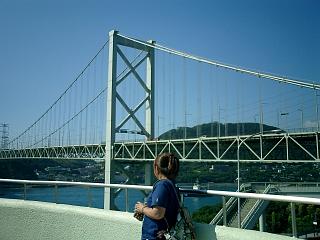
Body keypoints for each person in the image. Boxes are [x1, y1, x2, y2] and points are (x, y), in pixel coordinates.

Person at [135, 152, 180, 240]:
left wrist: (142, 209)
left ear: (156, 168)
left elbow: (158, 213)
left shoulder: (162, 185)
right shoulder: (171, 185)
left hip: (155, 235)